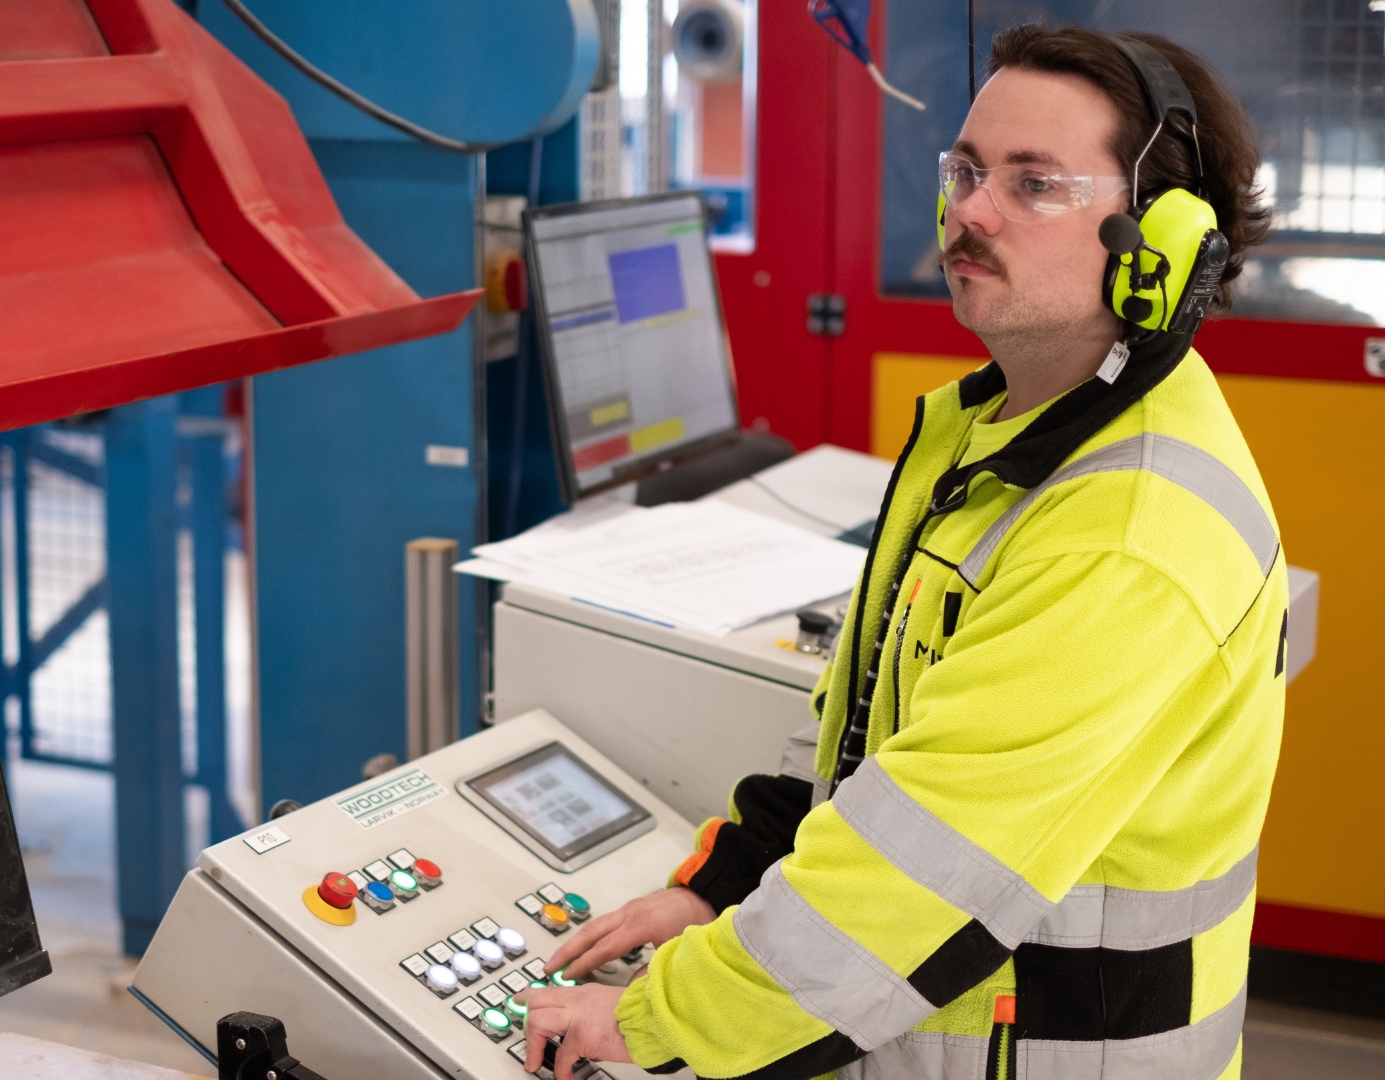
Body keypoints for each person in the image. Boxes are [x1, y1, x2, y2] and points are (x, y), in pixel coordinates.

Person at [518, 25, 1284, 1080]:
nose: (970, 210)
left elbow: (911, 875)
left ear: (1165, 240)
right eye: (966, 170)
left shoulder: (1127, 536)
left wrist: (656, 1020)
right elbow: (874, 737)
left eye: (1034, 184)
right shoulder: (987, 437)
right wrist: (727, 882)